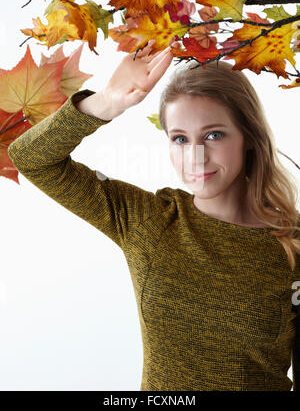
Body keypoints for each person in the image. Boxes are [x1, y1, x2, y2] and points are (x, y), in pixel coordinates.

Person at [7, 39, 300, 391]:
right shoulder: (148, 219)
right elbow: (31, 157)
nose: (195, 157)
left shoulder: (293, 245)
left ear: (248, 136)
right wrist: (107, 101)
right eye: (179, 138)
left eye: (214, 135)